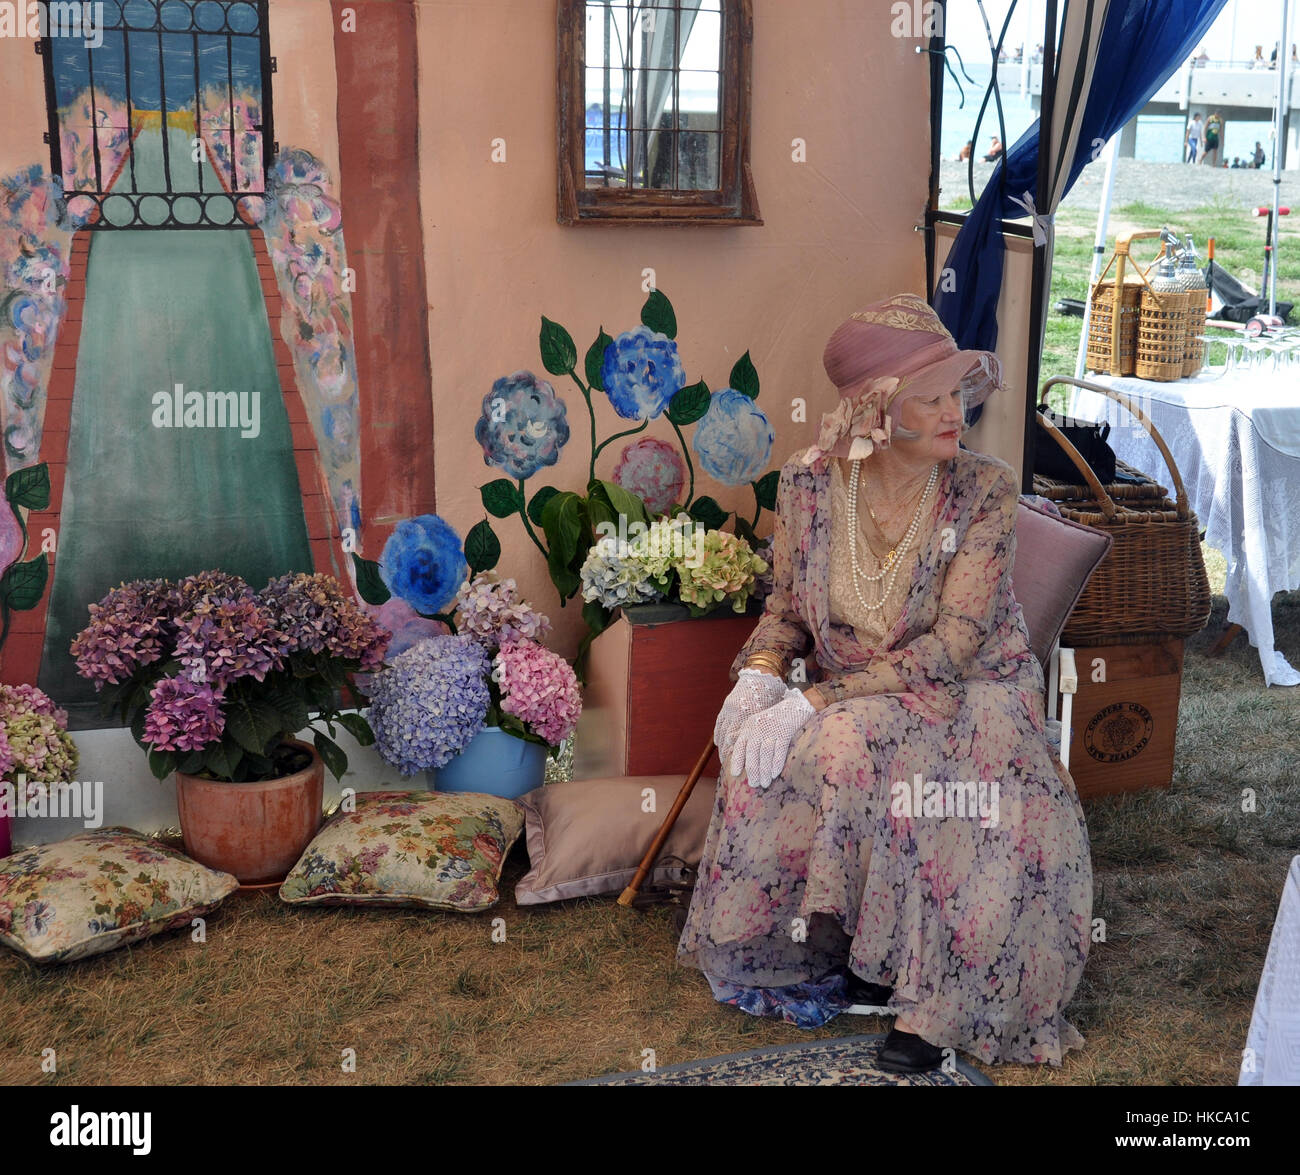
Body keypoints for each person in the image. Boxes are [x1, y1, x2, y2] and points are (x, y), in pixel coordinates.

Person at [678, 293, 1093, 1072]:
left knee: (844, 733)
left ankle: (939, 992)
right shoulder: (805, 488)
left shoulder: (984, 489)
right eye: (928, 397)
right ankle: (832, 950)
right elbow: (786, 612)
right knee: (785, 741)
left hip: (973, 690)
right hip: (863, 686)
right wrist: (761, 677)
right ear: (875, 408)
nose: (953, 412)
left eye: (956, 391)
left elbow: (958, 643)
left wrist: (815, 696)